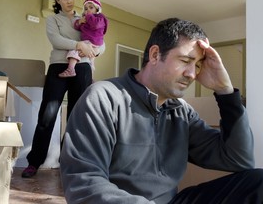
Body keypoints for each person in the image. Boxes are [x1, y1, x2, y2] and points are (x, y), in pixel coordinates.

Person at [60, 18, 263, 203]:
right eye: (185, 61)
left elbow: (239, 159)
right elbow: (84, 184)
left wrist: (225, 92)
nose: (192, 74)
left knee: (258, 182)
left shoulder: (181, 112)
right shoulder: (104, 98)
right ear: (155, 54)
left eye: (198, 65)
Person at [21, 0, 105, 178]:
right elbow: (55, 39)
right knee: (47, 115)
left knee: (76, 117)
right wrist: (79, 44)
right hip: (58, 67)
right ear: (58, 0)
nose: (69, 1)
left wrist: (95, 50)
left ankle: (69, 163)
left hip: (82, 68)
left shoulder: (85, 16)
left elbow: (101, 40)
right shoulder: (53, 20)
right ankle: (34, 162)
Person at [59, 0, 108, 78]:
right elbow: (78, 27)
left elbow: (95, 25)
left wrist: (88, 16)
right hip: (90, 42)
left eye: (91, 8)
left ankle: (71, 69)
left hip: (93, 41)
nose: (88, 10)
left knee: (74, 51)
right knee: (91, 61)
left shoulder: (100, 18)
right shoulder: (85, 19)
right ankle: (91, 77)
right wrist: (79, 22)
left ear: (97, 9)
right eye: (85, 8)